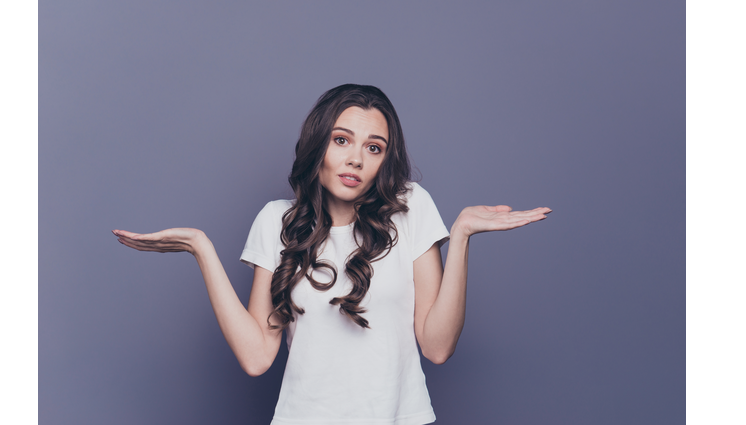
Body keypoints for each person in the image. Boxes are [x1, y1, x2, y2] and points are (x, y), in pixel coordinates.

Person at [113, 84, 551, 425]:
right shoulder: (276, 222)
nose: (356, 159)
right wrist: (201, 249)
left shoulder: (411, 207)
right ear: (318, 145)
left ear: (384, 159)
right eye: (342, 140)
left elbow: (437, 347)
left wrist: (461, 238)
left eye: (373, 147)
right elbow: (256, 356)